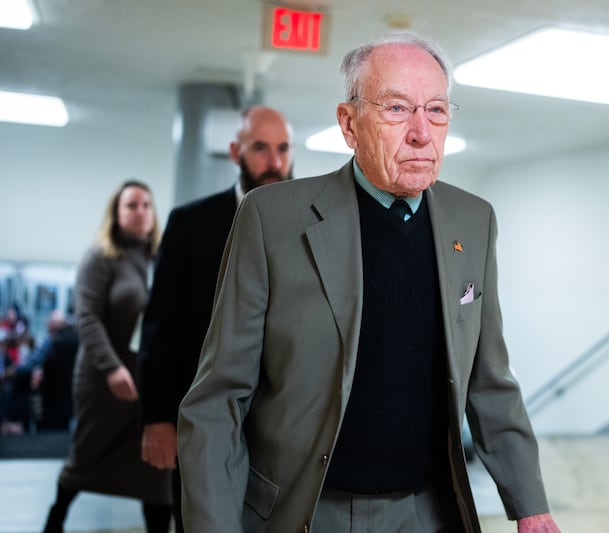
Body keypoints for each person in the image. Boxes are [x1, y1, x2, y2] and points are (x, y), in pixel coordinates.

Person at [177, 32, 560, 533]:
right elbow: (219, 399)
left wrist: (530, 505)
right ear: (349, 124)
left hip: (430, 511)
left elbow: (489, 382)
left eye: (437, 110)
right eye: (398, 108)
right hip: (309, 510)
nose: (422, 132)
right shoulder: (272, 219)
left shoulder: (474, 221)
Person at [137, 105, 294, 532]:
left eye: (283, 149)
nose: (274, 161)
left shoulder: (312, 226)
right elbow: (160, 325)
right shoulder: (191, 224)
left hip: (285, 427)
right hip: (204, 421)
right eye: (260, 148)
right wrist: (157, 418)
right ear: (235, 151)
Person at [43, 180, 172, 533]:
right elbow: (86, 317)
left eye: (146, 204)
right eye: (131, 205)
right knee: (85, 460)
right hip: (104, 383)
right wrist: (111, 367)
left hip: (147, 385)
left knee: (156, 470)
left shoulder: (160, 258)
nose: (140, 211)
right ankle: (54, 522)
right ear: (116, 213)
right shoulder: (101, 257)